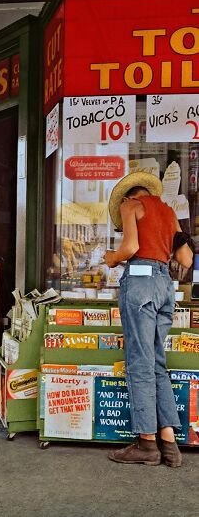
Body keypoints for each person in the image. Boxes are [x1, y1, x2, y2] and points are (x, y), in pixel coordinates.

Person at [104, 171, 193, 467]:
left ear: (129, 196)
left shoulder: (130, 205)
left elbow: (129, 248)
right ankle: (169, 444)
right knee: (156, 363)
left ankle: (146, 444)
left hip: (140, 283)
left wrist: (112, 258)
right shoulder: (168, 212)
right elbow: (186, 260)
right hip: (164, 285)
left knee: (139, 363)